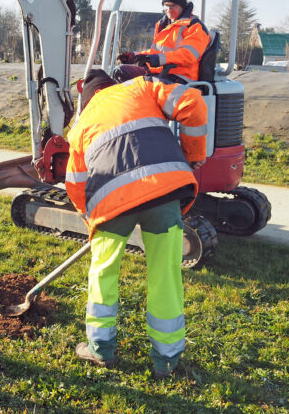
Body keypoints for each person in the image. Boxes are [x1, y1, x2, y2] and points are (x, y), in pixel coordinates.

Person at [65, 68, 207, 377]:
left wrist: (90, 217)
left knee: (103, 274)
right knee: (166, 275)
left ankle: (100, 349)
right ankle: (166, 360)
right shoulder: (140, 88)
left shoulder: (80, 126)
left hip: (111, 204)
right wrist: (192, 154)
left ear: (87, 99)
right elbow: (193, 102)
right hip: (164, 192)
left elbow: (75, 183)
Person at [115, 0, 211, 83]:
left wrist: (157, 59)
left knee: (139, 87)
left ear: (182, 6)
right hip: (160, 73)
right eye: (166, 5)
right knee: (121, 71)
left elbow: (187, 55)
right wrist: (134, 56)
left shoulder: (194, 26)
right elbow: (156, 52)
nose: (168, 10)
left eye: (173, 6)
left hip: (181, 77)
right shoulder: (163, 25)